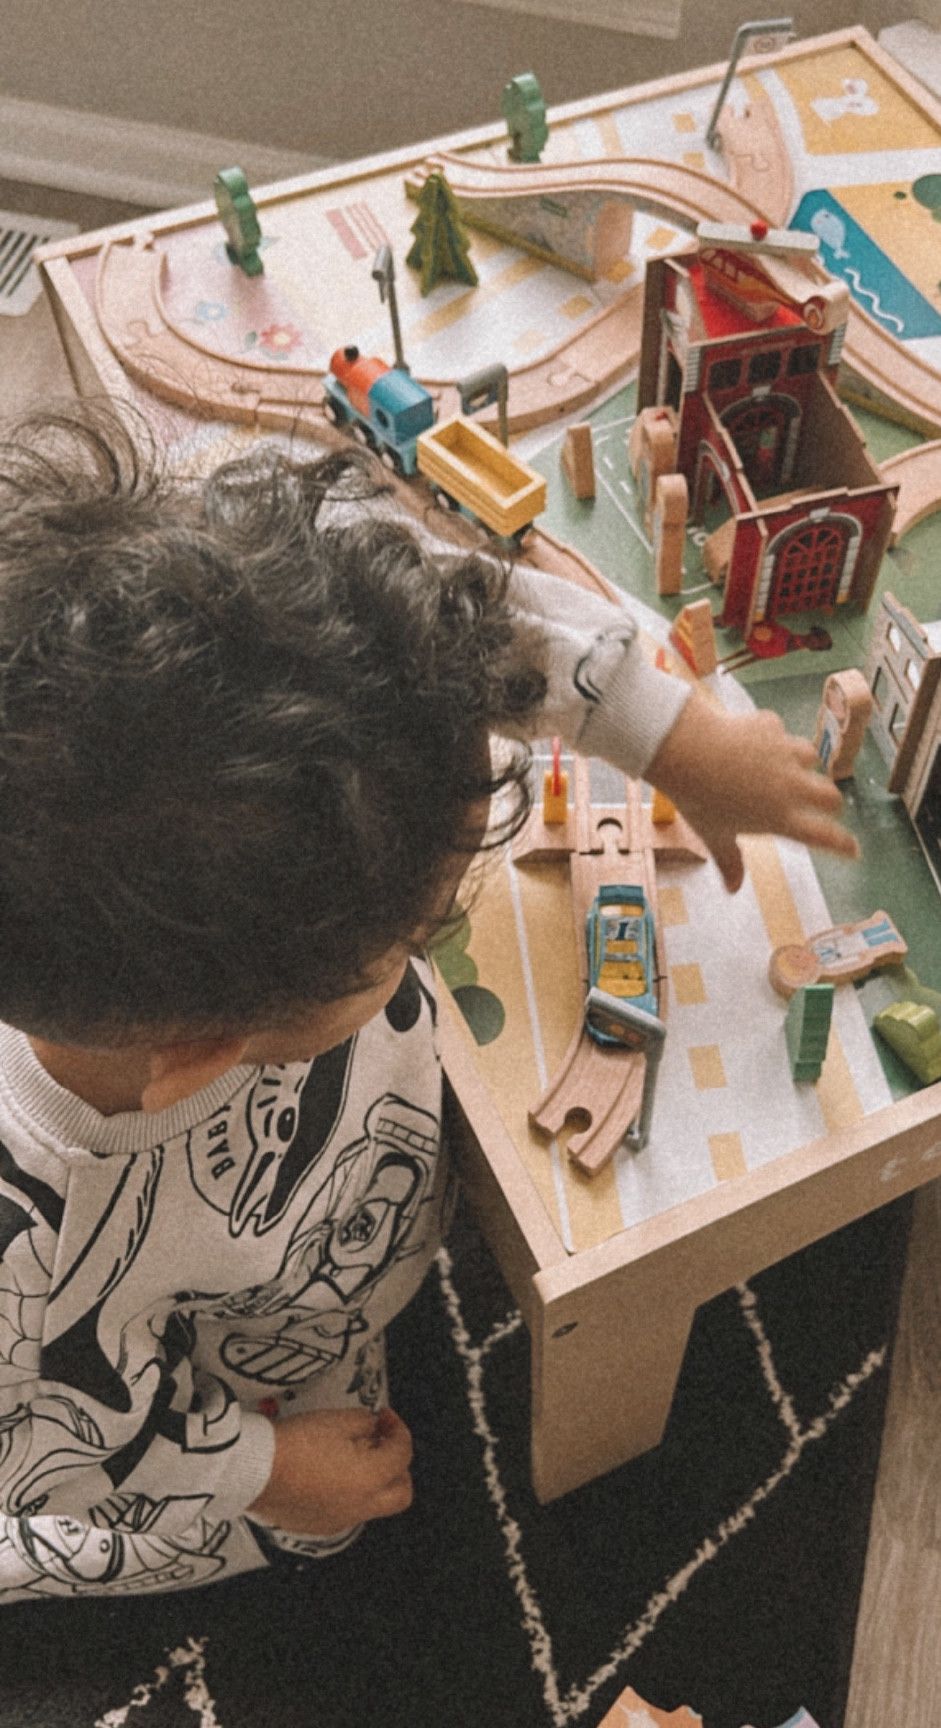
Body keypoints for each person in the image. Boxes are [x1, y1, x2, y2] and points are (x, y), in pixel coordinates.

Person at [0, 405, 855, 1601]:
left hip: (325, 1223)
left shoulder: (264, 588)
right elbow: (65, 1441)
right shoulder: (28, 1268)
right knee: (317, 1526)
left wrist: (672, 743)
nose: (441, 921)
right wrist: (257, 1468)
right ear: (207, 1053)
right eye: (422, 927)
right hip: (183, 1362)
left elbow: (447, 615)